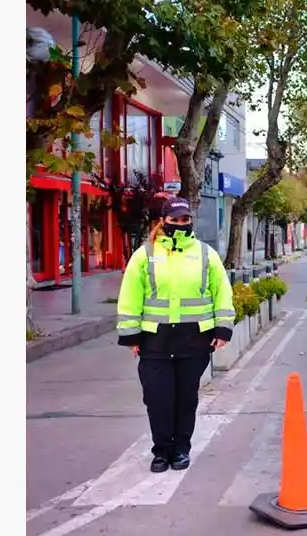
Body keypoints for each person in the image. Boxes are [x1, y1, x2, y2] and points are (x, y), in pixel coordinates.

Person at [115, 197, 235, 473]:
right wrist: (131, 336)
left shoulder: (206, 254)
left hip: (194, 340)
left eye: (185, 219)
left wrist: (223, 328)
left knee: (185, 400)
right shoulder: (145, 255)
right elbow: (130, 296)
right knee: (158, 400)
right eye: (175, 219)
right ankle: (161, 451)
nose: (181, 224)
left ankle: (181, 449)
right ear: (163, 221)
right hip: (154, 341)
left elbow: (222, 293)